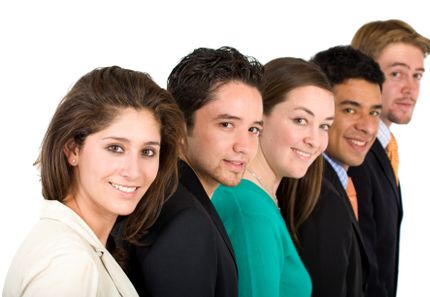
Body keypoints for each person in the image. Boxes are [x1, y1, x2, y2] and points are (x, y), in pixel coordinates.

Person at [2, 66, 185, 297]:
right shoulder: (68, 263)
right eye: (115, 148)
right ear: (72, 150)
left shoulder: (81, 247)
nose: (134, 171)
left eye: (148, 152)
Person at [123, 46, 264, 297]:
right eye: (226, 124)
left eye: (253, 129)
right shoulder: (185, 221)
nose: (244, 147)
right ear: (179, 126)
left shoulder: (172, 196)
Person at [212, 57, 335, 297]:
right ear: (260, 117)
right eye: (301, 120)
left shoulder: (260, 200)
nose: (315, 140)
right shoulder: (250, 210)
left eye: (324, 126)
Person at [348, 19, 430, 297]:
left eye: (417, 75)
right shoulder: (354, 155)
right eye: (397, 74)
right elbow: (363, 270)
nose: (411, 88)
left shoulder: (383, 150)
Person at [296, 46, 385, 297]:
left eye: (374, 112)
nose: (368, 127)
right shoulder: (318, 194)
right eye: (350, 109)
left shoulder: (339, 182)